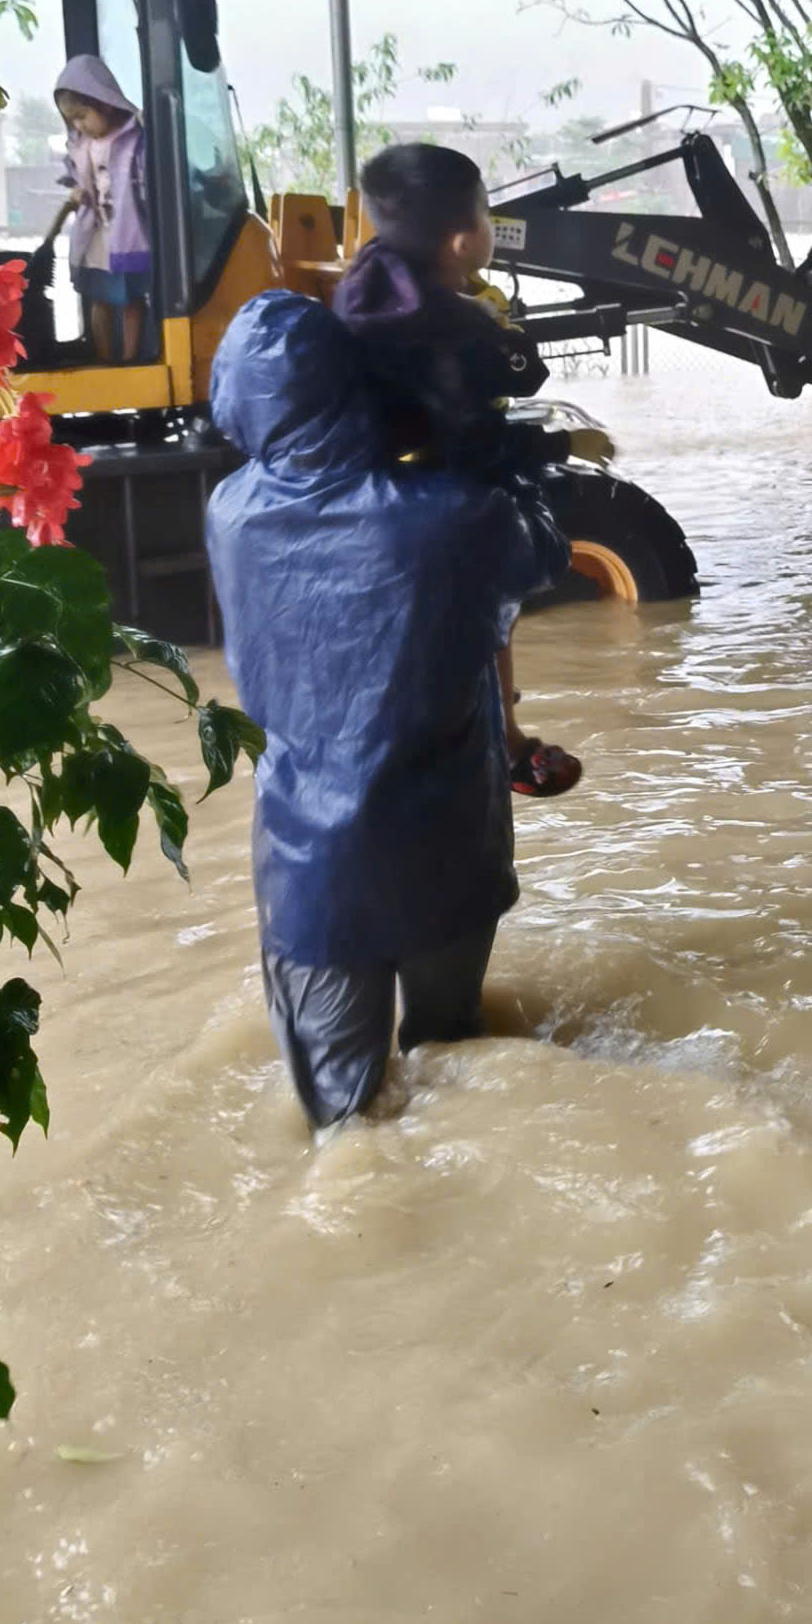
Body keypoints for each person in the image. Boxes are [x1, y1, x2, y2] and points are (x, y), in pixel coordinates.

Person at [205, 291, 570, 1127]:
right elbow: (544, 550)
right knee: (455, 1061)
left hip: (311, 874)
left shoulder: (231, 512)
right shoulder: (451, 518)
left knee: (345, 1125)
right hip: (448, 850)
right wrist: (489, 454)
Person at [332, 141, 596, 798]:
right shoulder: (453, 326)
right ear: (459, 241)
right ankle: (503, 743)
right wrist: (564, 446)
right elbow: (477, 446)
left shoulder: (362, 287)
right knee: (498, 586)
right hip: (436, 522)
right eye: (484, 215)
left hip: (363, 513)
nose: (491, 228)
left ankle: (490, 741)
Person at [44, 55, 151, 365]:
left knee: (132, 298)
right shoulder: (81, 144)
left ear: (103, 103)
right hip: (96, 234)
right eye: (72, 120)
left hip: (127, 231)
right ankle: (104, 359)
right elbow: (77, 175)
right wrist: (76, 191)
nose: (78, 125)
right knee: (99, 298)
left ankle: (130, 359)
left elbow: (146, 180)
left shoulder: (132, 138)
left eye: (81, 116)